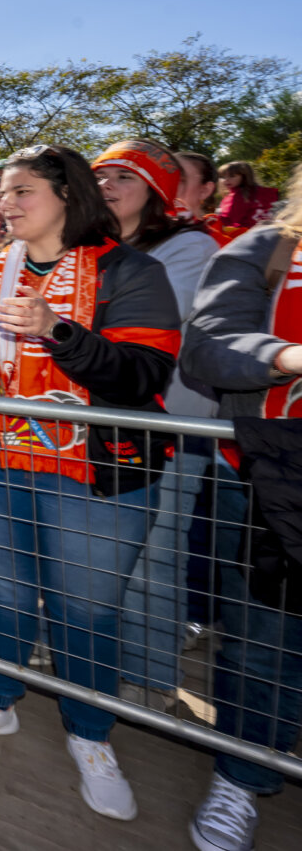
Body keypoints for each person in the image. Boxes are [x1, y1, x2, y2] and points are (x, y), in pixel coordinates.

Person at [0, 144, 181, 821]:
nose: (3, 205)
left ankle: (90, 734)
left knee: (87, 606)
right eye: (0, 193)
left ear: (68, 194)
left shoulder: (131, 269)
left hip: (93, 469)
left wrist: (57, 330)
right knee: (4, 585)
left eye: (21, 192)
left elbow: (144, 372)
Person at [179, 162, 302, 851]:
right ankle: (241, 772)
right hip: (269, 474)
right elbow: (210, 346)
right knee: (263, 640)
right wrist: (287, 356)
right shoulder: (265, 249)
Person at [93, 139, 222, 709]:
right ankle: (88, 654)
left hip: (168, 427)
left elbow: (131, 319)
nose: (107, 185)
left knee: (154, 556)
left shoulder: (190, 245)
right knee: (91, 548)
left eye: (124, 176)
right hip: (100, 422)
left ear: (155, 192)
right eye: (101, 175)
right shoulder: (89, 248)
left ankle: (149, 680)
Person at [217, 161, 279, 232]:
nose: (226, 180)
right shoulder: (265, 192)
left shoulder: (237, 196)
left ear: (244, 177)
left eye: (232, 176)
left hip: (245, 234)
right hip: (268, 231)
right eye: (223, 177)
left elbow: (228, 220)